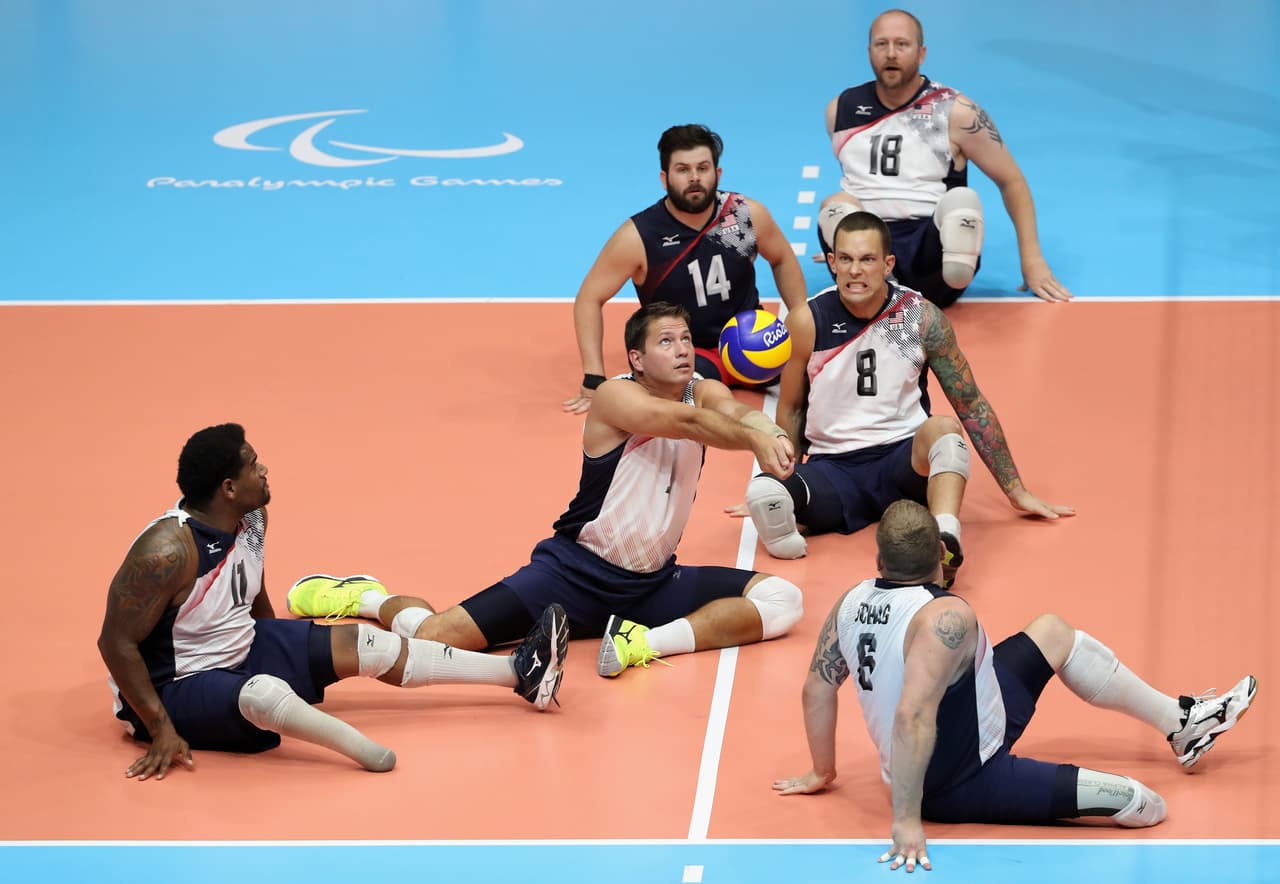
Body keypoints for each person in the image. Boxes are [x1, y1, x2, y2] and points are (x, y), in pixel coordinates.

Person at [290, 302, 804, 677]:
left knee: (783, 601)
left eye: (687, 340)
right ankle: (371, 597)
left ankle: (642, 641)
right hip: (573, 574)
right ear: (637, 358)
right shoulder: (615, 398)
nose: (683, 350)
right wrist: (752, 441)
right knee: (433, 639)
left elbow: (732, 410)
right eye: (666, 342)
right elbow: (687, 423)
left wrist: (770, 431)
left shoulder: (703, 390)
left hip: (650, 586)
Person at [773, 500, 1258, 872]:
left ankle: (1182, 725)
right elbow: (912, 716)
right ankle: (1144, 764)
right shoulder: (947, 616)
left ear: (878, 559)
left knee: (1052, 631)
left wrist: (823, 771)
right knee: (1146, 805)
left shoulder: (850, 601)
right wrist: (907, 820)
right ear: (941, 555)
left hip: (982, 714)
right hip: (958, 779)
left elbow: (817, 688)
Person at [97, 423, 568, 781]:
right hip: (175, 683)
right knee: (262, 692)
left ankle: (518, 674)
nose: (264, 470)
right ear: (228, 489)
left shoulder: (252, 515)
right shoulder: (166, 552)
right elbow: (115, 642)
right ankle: (359, 749)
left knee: (368, 643)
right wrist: (159, 726)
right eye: (253, 464)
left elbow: (251, 584)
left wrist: (287, 645)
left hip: (238, 645)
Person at [733, 211, 1073, 584]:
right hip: (834, 469)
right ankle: (786, 527)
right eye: (845, 259)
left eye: (866, 259)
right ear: (831, 262)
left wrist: (1015, 489)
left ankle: (945, 539)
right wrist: (781, 478)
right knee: (763, 493)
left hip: (904, 461)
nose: (854, 270)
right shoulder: (807, 320)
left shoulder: (920, 317)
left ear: (887, 263)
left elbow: (970, 403)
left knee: (945, 429)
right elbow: (793, 406)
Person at [815, 8, 1072, 306]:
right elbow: (858, 182)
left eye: (902, 44)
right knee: (834, 206)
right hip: (871, 245)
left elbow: (1012, 181)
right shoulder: (841, 109)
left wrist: (1033, 260)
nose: (891, 53)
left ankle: (898, 284)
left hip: (929, 252)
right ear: (869, 50)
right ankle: (864, 271)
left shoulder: (955, 111)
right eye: (881, 44)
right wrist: (844, 243)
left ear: (921, 53)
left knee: (962, 201)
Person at [562, 124, 808, 413]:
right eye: (682, 170)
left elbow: (782, 259)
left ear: (717, 174)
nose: (694, 178)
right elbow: (589, 298)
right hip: (689, 353)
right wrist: (593, 377)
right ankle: (757, 433)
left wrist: (802, 322)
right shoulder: (640, 235)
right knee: (702, 404)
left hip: (753, 340)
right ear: (664, 179)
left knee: (824, 380)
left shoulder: (744, 215)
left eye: (703, 168)